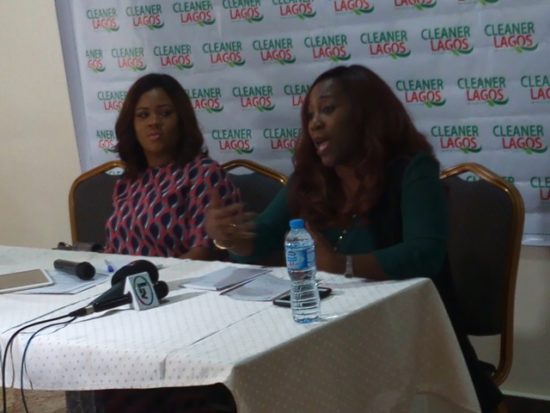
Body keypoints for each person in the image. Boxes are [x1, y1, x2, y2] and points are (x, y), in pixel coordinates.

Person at [205, 65, 503, 412]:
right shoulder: (309, 179)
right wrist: (230, 238)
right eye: (310, 115)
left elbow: (425, 254)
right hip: (325, 335)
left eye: (327, 110)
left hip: (403, 336)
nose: (315, 124)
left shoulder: (412, 171)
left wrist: (342, 265)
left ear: (365, 114)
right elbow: (260, 239)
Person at [103, 73, 240, 259]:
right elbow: (113, 248)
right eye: (143, 115)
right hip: (126, 276)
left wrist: (156, 276)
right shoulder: (128, 180)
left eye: (165, 113)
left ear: (181, 120)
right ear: (131, 125)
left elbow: (204, 253)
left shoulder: (203, 173)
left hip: (177, 277)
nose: (153, 122)